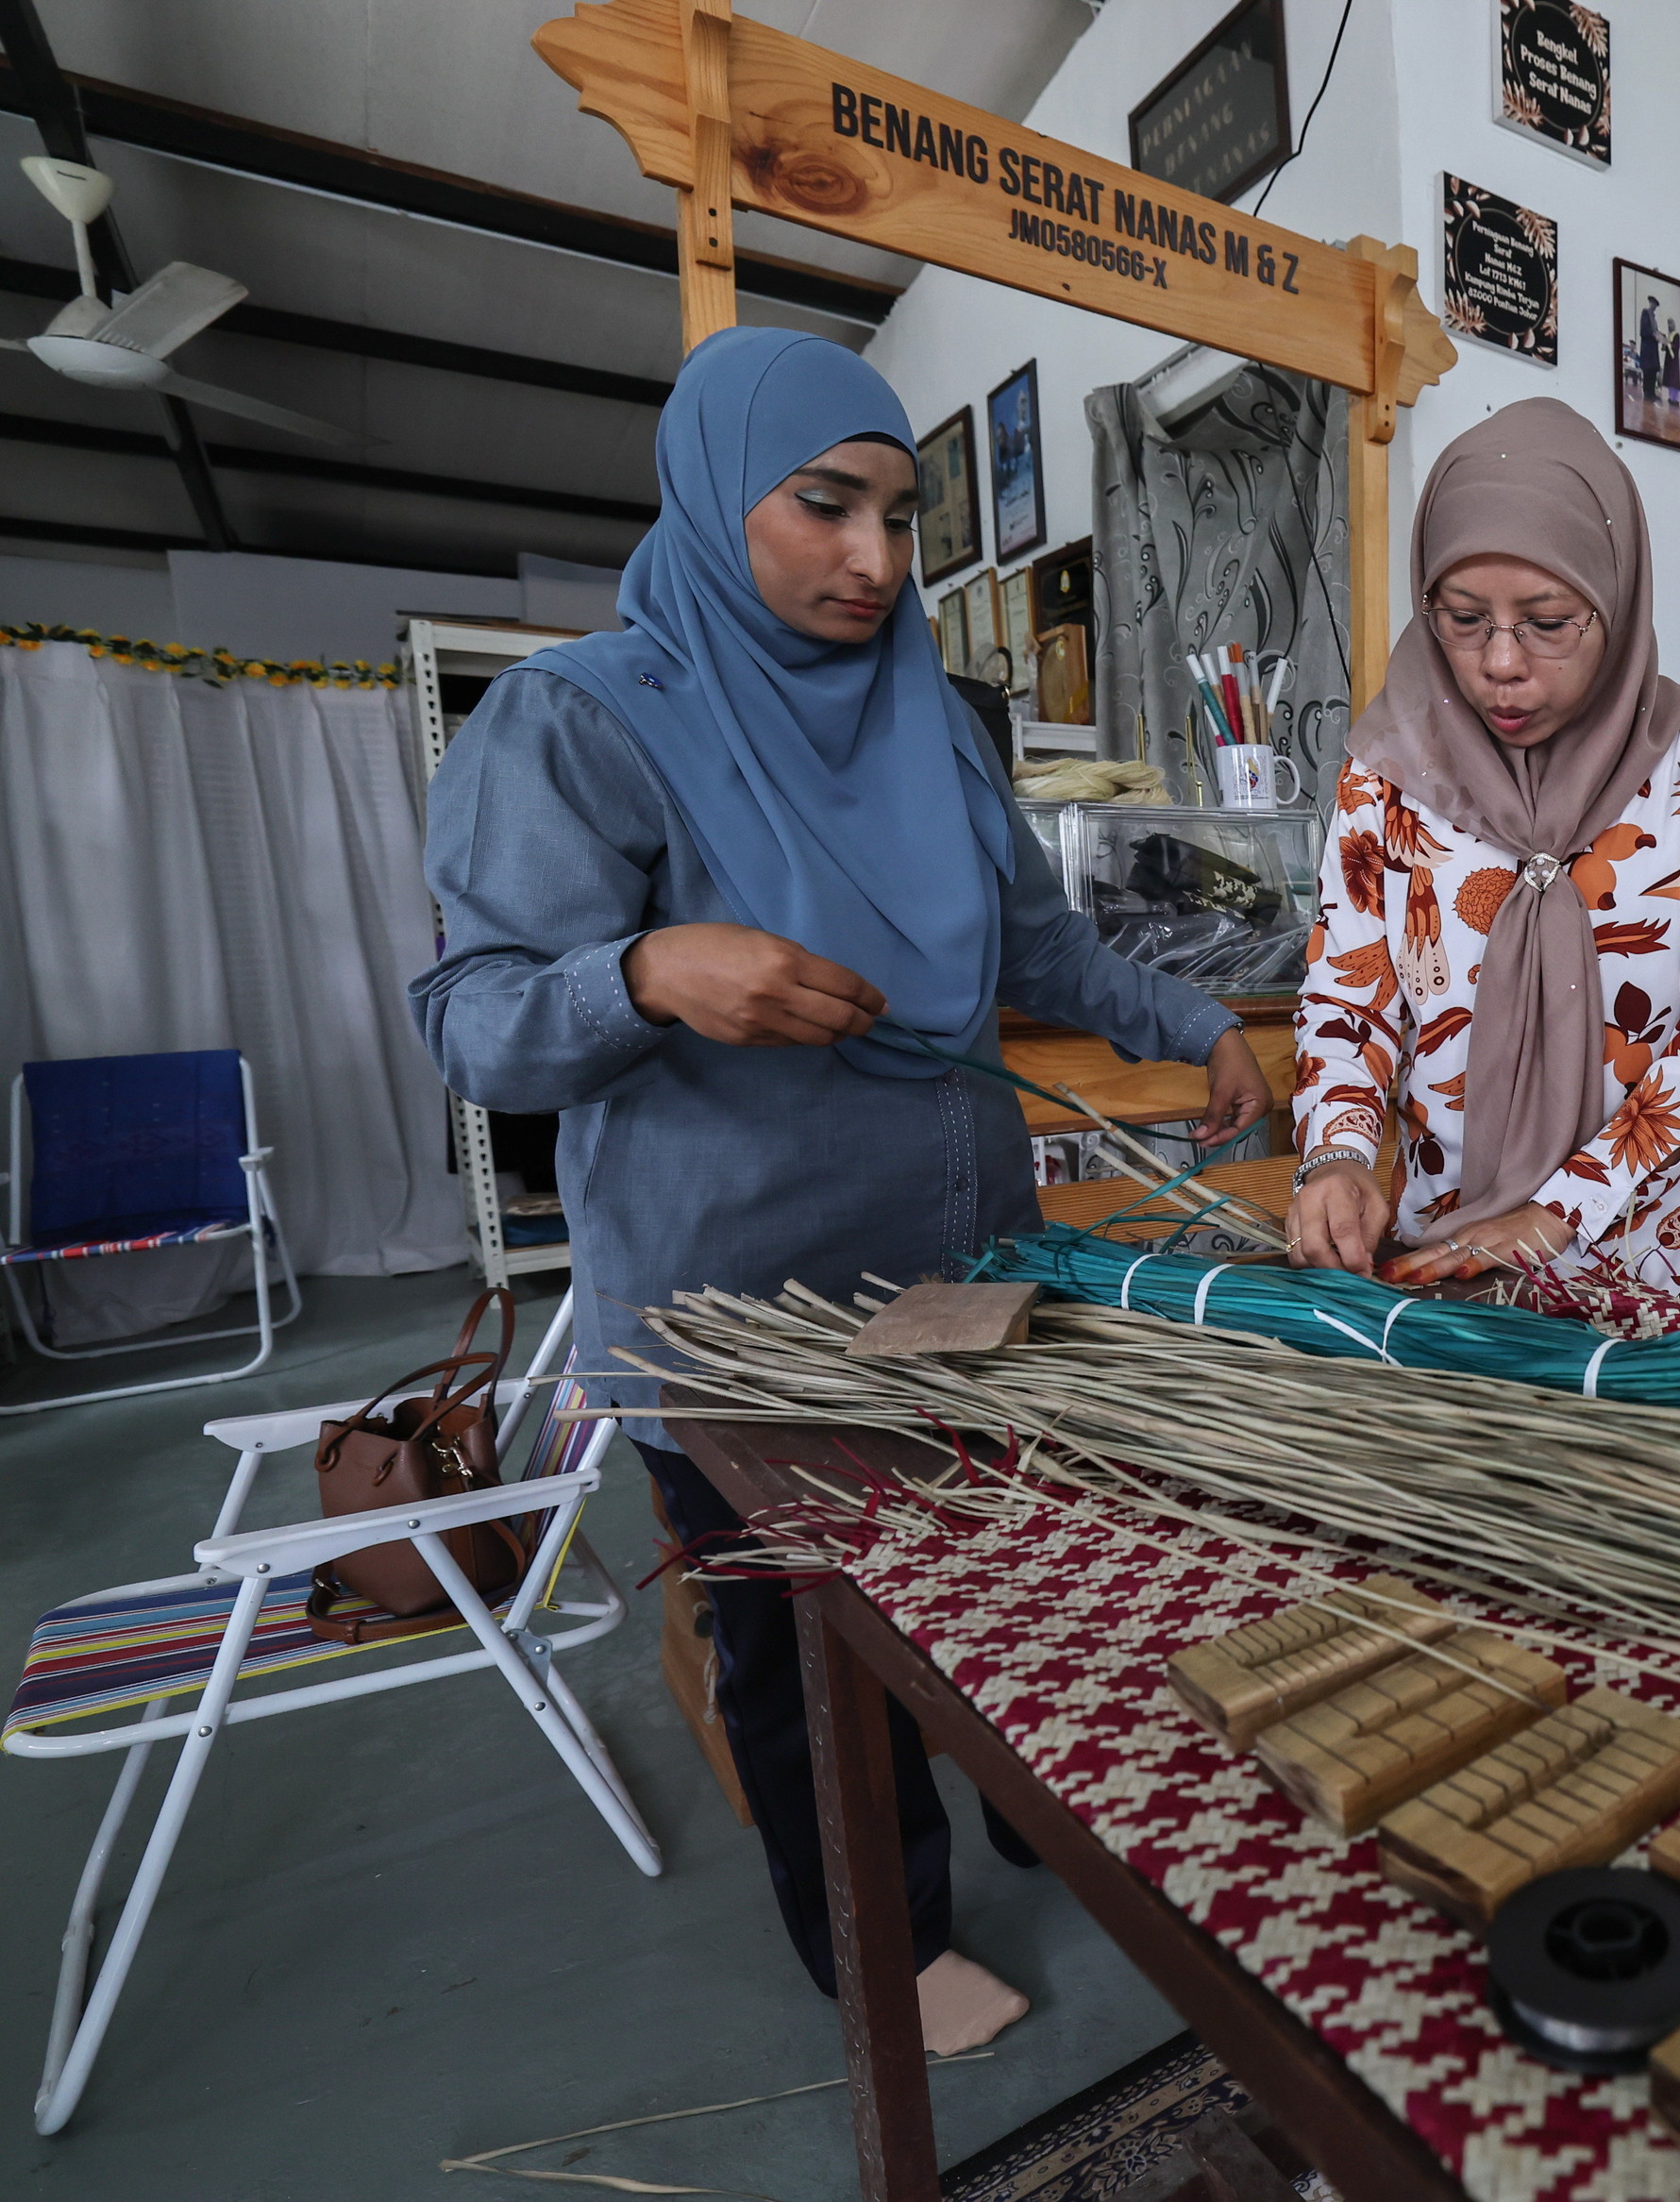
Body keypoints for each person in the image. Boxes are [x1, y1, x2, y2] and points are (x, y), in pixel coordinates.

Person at [412, 328, 1268, 2051]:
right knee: (807, 1641)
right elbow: (475, 1024)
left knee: (1010, 1571)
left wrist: (1195, 1024)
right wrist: (646, 973)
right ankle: (885, 1935)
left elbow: (1032, 943)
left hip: (965, 1267)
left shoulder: (927, 720)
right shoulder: (581, 721)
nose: (874, 559)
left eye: (899, 515)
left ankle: (1033, 1802)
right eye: (824, 505)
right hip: (742, 1312)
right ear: (716, 492)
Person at [1287, 397, 1680, 1305]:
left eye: (1549, 622)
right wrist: (1338, 1150)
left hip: (1658, 1276)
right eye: (1462, 618)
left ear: (1615, 601)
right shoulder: (1389, 778)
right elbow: (1348, 998)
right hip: (1445, 1277)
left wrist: (1562, 1208)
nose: (1500, 662)